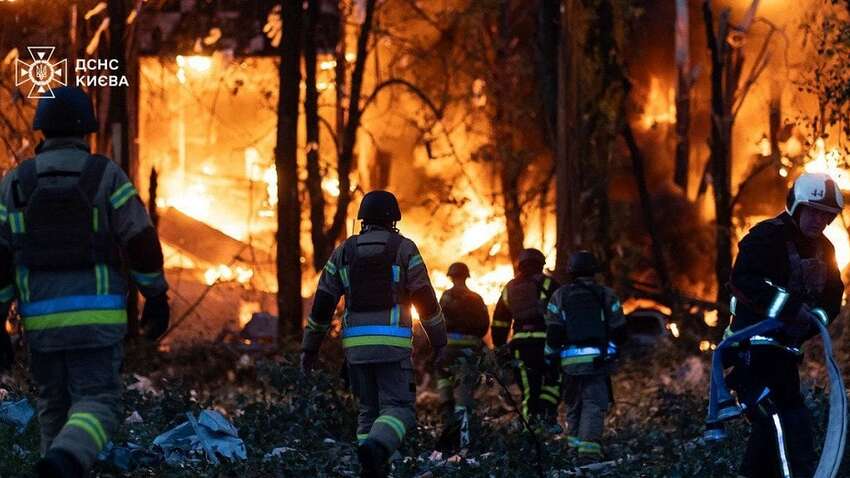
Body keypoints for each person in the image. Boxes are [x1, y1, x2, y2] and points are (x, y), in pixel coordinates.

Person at [0, 86, 169, 478]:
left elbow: (0, 259)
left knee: (53, 408)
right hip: (96, 327)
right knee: (98, 404)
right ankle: (62, 463)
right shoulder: (105, 175)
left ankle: (57, 466)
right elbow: (140, 240)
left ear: (42, 128)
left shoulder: (15, 183)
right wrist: (155, 296)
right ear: (87, 129)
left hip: (41, 328)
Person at [300, 190, 447, 478]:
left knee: (368, 411)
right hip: (391, 347)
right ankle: (377, 449)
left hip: (356, 349)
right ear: (393, 220)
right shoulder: (404, 248)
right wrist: (439, 342)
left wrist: (309, 349)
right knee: (399, 409)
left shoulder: (343, 251)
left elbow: (322, 305)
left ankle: (372, 469)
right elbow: (425, 299)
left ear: (363, 220)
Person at [722, 172, 843, 478]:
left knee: (786, 422)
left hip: (784, 354)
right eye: (813, 211)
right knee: (777, 421)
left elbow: (831, 299)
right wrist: (790, 309)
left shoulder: (825, 251)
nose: (818, 221)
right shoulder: (766, 237)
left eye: (825, 215)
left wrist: (810, 324)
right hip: (749, 350)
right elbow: (744, 281)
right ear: (796, 207)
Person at [544, 250, 625, 463]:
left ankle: (574, 450)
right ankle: (588, 454)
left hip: (569, 363)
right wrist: (614, 352)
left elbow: (553, 333)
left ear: (571, 272)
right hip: (597, 362)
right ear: (594, 271)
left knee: (573, 405)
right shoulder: (606, 294)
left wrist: (550, 359)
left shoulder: (559, 295)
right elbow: (619, 330)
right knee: (593, 403)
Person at [491, 248, 560, 426]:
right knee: (554, 380)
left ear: (520, 265)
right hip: (547, 344)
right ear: (541, 265)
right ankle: (547, 414)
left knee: (529, 390)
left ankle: (531, 432)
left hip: (521, 346)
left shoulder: (510, 288)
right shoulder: (549, 284)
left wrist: (500, 348)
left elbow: (500, 322)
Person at [434, 262, 489, 451]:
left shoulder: (445, 297)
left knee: (445, 392)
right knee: (464, 398)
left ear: (451, 277)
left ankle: (446, 436)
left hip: (446, 352)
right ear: (466, 277)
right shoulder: (476, 298)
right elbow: (484, 325)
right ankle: (463, 442)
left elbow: (436, 322)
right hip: (468, 352)